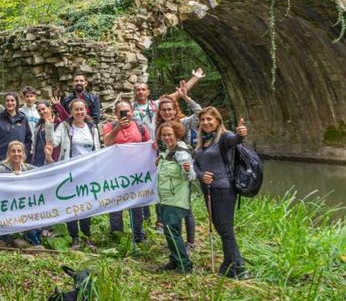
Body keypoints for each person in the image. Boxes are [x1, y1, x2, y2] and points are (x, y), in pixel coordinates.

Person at [194, 107, 249, 278]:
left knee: (226, 230)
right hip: (209, 189)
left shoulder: (224, 138)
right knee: (221, 228)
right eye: (203, 120)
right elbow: (196, 164)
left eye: (210, 119)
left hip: (224, 190)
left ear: (218, 121)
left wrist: (241, 133)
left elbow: (236, 139)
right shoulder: (202, 141)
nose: (206, 123)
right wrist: (202, 175)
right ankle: (239, 266)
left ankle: (230, 268)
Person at [54, 99, 102, 247]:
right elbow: (54, 141)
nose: (79, 112)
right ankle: (74, 236)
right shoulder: (65, 126)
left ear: (86, 110)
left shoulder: (92, 127)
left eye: (82, 109)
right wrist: (49, 125)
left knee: (87, 205)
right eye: (76, 109)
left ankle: (86, 236)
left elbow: (97, 148)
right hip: (71, 173)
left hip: (88, 173)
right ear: (71, 112)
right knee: (72, 205)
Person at [103, 101, 151, 243]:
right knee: (116, 201)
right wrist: (118, 128)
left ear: (132, 111)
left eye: (127, 111)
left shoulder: (140, 127)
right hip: (116, 170)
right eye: (121, 111)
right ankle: (117, 232)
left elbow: (149, 145)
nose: (125, 114)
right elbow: (107, 142)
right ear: (116, 113)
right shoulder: (110, 126)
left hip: (136, 170)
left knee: (136, 202)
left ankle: (138, 233)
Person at [155, 121, 196, 274]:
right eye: (164, 135)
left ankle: (184, 265)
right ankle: (174, 259)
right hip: (165, 198)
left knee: (172, 231)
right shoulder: (167, 152)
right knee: (171, 230)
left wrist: (186, 170)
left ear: (177, 134)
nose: (166, 137)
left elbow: (191, 176)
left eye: (169, 134)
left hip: (176, 199)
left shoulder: (181, 152)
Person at [0, 141, 41, 248]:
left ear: (23, 154)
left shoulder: (28, 168)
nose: (16, 154)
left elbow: (46, 172)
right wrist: (11, 177)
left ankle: (30, 233)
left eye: (19, 151)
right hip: (7, 205)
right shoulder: (2, 169)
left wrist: (48, 157)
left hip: (24, 204)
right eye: (13, 151)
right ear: (9, 154)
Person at [0, 92, 32, 170]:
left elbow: (28, 139)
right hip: (1, 159)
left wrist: (25, 153)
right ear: (4, 103)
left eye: (12, 100)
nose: (10, 103)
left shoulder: (23, 118)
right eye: (7, 101)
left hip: (19, 158)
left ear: (16, 102)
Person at [29, 101, 57, 166]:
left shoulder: (57, 122)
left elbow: (54, 142)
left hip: (52, 158)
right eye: (39, 110)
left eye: (43, 109)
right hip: (38, 159)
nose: (41, 112)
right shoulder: (38, 125)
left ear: (49, 108)